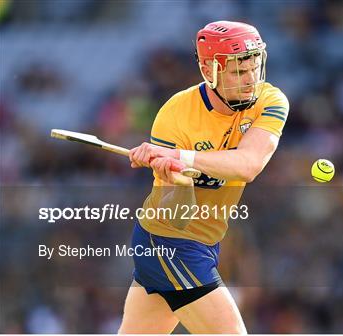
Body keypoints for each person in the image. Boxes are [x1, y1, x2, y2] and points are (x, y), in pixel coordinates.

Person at [118, 21, 289, 334]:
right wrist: (177, 177)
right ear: (210, 72)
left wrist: (183, 158)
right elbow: (175, 214)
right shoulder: (175, 114)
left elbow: (249, 164)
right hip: (169, 241)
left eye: (253, 68)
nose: (250, 80)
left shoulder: (271, 100)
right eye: (238, 72)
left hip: (205, 242)